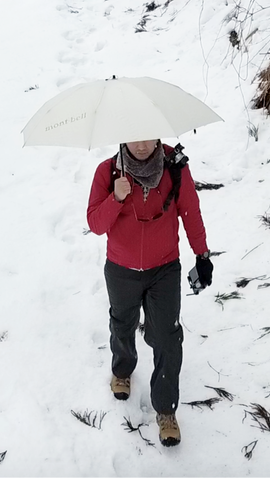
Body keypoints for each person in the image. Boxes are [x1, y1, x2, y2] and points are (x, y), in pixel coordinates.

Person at [86, 139, 214, 447]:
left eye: (149, 136)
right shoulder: (108, 171)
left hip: (164, 268)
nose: (142, 145)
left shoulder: (175, 168)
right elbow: (95, 223)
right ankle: (122, 369)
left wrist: (202, 255)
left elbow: (190, 211)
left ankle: (166, 410)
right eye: (135, 136)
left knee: (168, 337)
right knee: (122, 322)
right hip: (121, 268)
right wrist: (115, 198)